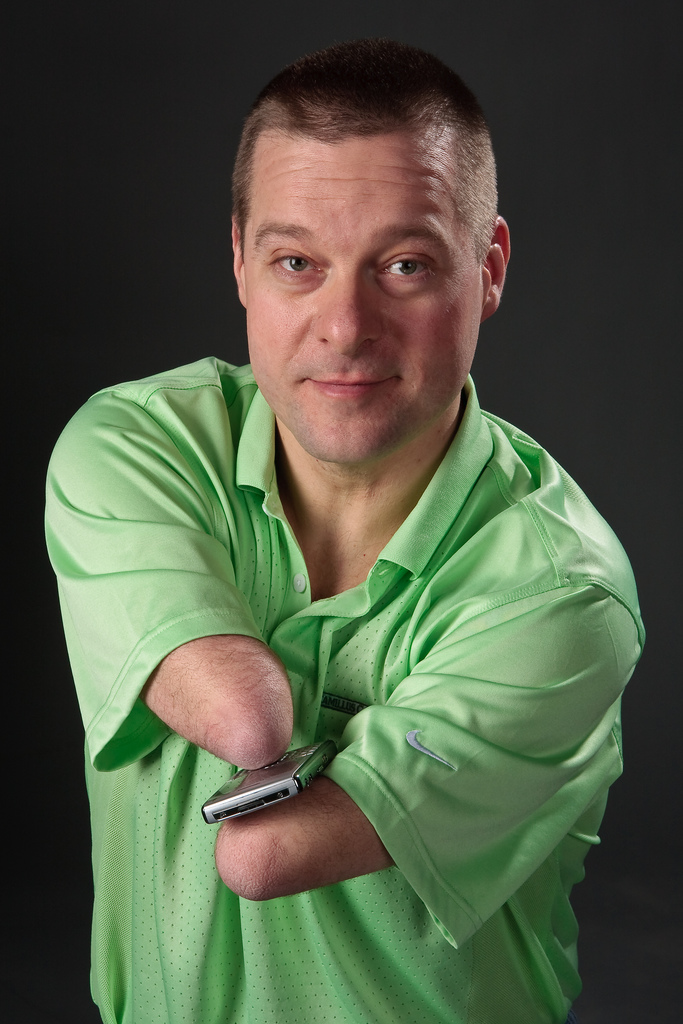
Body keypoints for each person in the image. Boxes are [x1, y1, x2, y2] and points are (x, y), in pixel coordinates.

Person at [45, 38, 643, 1024]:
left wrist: (258, 719)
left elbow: (261, 851)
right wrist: (350, 742)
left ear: (488, 267)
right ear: (239, 262)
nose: (345, 325)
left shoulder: (561, 590)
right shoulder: (132, 446)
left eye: (403, 265)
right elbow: (247, 723)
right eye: (296, 263)